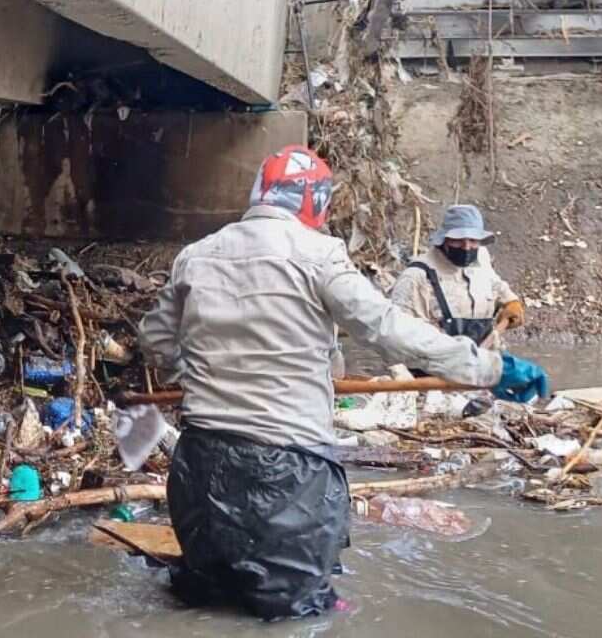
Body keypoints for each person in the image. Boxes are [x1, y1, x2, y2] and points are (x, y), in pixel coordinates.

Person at [137, 145, 547, 620]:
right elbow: (388, 330)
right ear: (316, 202)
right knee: (301, 617)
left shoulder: (197, 255)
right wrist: (490, 369)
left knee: (207, 600)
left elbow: (155, 338)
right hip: (286, 472)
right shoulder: (320, 255)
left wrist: (190, 377)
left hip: (198, 467)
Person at [391, 204, 524, 349]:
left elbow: (498, 287)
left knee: (530, 372)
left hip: (483, 360)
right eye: (458, 240)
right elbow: (400, 336)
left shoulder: (481, 260)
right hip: (434, 365)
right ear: (444, 239)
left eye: (473, 240)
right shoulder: (417, 277)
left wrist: (512, 304)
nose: (466, 247)